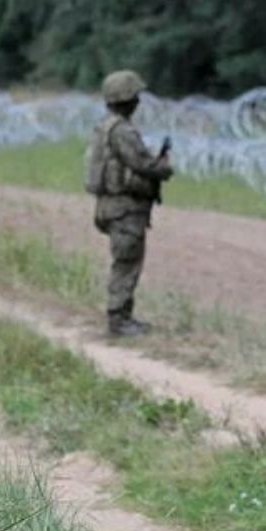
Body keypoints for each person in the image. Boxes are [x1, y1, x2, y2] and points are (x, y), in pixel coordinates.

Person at [85, 70, 173, 337]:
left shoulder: (105, 127)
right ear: (127, 99)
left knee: (125, 259)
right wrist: (163, 167)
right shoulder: (122, 131)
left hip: (110, 205)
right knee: (126, 262)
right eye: (135, 96)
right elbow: (142, 164)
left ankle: (122, 315)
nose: (138, 101)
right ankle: (119, 319)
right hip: (124, 207)